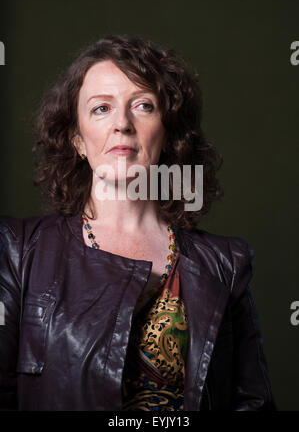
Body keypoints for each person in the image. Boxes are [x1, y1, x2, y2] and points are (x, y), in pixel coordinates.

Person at [0, 34, 277, 411]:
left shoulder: (225, 264)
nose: (122, 124)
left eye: (143, 105)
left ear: (167, 133)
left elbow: (252, 403)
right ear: (77, 140)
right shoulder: (19, 251)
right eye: (101, 109)